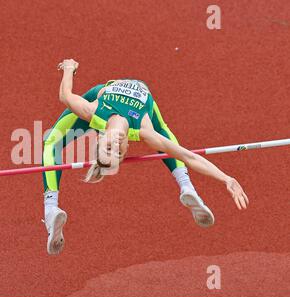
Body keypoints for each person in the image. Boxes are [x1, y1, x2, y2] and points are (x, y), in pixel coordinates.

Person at [42, 59, 249, 255]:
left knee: (51, 141)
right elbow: (189, 156)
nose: (114, 145)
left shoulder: (93, 111)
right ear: (126, 146)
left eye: (108, 148)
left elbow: (65, 95)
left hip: (101, 96)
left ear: (101, 137)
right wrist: (226, 179)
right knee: (164, 133)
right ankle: (186, 186)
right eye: (117, 150)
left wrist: (69, 68)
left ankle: (50, 207)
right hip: (142, 103)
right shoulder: (142, 129)